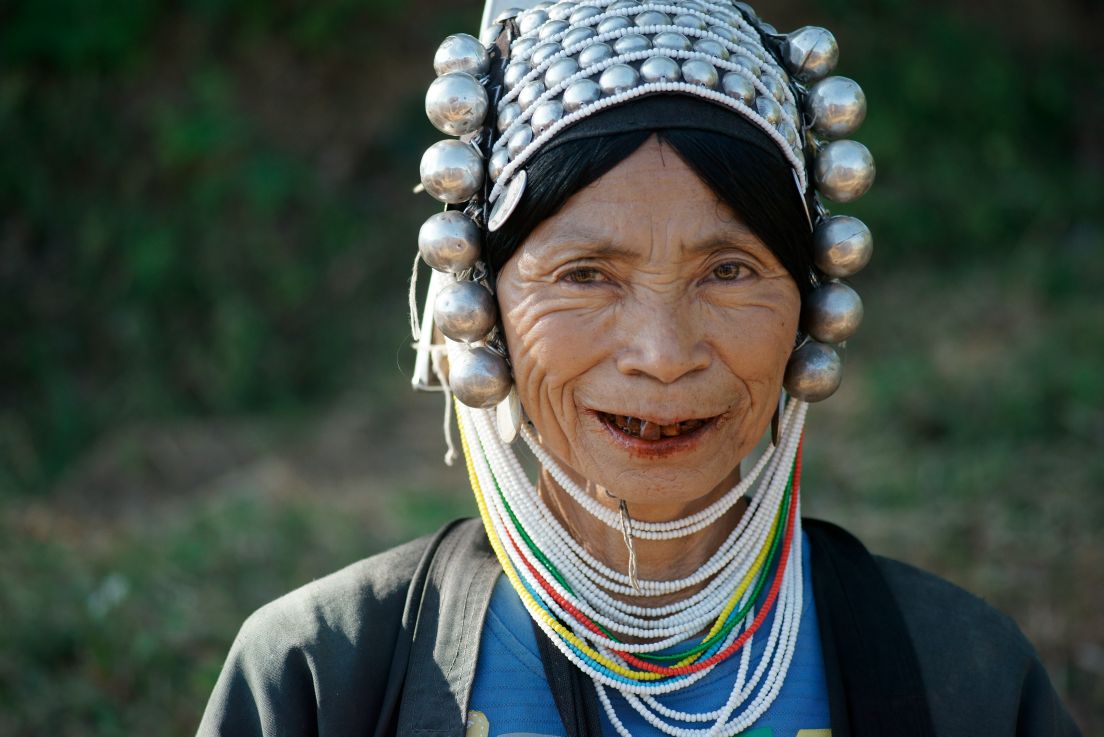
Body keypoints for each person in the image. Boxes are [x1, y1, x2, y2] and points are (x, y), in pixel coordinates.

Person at [197, 1, 1082, 735]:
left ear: (811, 302)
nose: (663, 354)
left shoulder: (965, 679)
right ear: (485, 306)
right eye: (586, 276)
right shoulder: (319, 680)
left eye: (728, 271)